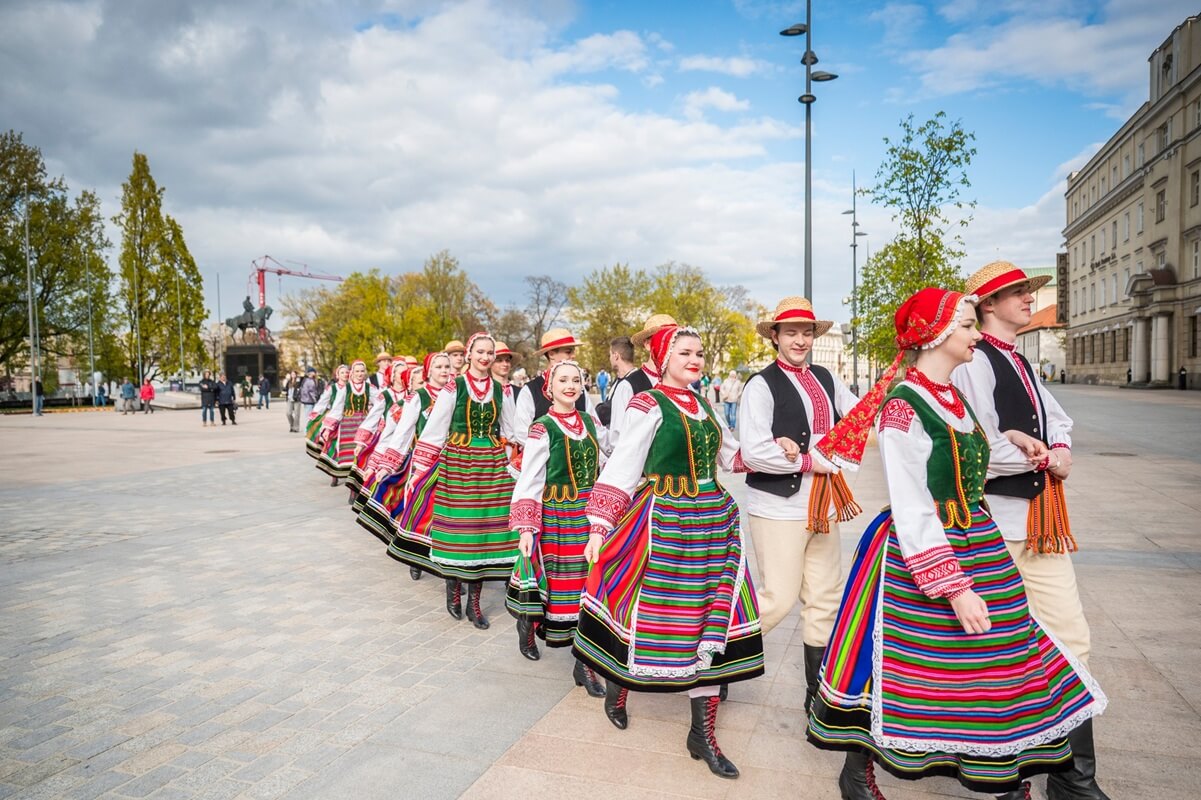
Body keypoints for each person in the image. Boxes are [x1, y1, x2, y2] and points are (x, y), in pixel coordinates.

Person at [807, 287, 1106, 800]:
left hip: (978, 538)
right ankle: (857, 772)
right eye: (967, 326)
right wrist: (955, 587)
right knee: (906, 667)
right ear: (934, 335)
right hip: (924, 550)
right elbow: (913, 505)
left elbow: (967, 463)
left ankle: (1008, 776)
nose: (976, 335)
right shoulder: (903, 408)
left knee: (1000, 660)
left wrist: (1014, 441)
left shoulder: (954, 397)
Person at [573, 322, 766, 780]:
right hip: (665, 522)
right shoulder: (648, 403)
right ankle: (620, 687)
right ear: (663, 360)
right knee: (645, 612)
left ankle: (702, 734)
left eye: (698, 353)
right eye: (685, 353)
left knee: (710, 619)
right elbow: (623, 466)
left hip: (713, 521)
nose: (695, 360)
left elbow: (732, 456)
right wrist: (599, 526)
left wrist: (780, 450)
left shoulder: (705, 405)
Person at [951, 261, 1110, 800]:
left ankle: (1073, 782)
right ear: (988, 305)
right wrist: (1040, 457)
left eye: (1028, 291)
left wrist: (1058, 448)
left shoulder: (1022, 360)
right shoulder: (974, 361)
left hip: (1040, 522)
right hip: (994, 522)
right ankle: (1005, 778)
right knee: (997, 650)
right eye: (1016, 292)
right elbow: (980, 444)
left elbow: (1056, 418)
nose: (1028, 298)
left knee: (1072, 638)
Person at [738, 297, 860, 713]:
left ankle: (817, 696)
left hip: (824, 505)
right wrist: (808, 460)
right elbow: (754, 452)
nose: (800, 340)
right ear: (775, 336)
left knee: (825, 599)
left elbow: (857, 420)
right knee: (778, 597)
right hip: (778, 506)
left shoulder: (826, 377)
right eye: (791, 332)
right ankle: (716, 659)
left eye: (806, 333)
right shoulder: (761, 384)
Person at [506, 360, 606, 698]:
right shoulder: (542, 428)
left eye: (576, 380)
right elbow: (530, 480)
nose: (571, 386)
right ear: (549, 388)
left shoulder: (590, 422)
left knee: (591, 587)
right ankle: (527, 622)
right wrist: (525, 528)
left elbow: (607, 459)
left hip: (589, 515)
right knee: (559, 587)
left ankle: (584, 663)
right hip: (558, 517)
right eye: (563, 380)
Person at [406, 334, 516, 629]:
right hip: (458, 463)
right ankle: (453, 587)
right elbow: (435, 430)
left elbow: (511, 431)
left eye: (490, 353)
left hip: (491, 465)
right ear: (469, 354)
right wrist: (419, 469)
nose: (485, 357)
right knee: (460, 531)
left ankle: (474, 603)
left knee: (485, 534)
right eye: (480, 351)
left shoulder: (501, 390)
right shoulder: (455, 387)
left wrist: (516, 464)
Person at [384, 352, 455, 580]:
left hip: (451, 461)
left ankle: (450, 567)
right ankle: (415, 558)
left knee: (446, 513)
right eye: (439, 367)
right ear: (429, 371)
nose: (444, 371)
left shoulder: (456, 393)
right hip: (424, 462)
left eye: (447, 367)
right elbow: (403, 431)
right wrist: (388, 462)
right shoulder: (419, 397)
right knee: (418, 509)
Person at [512, 328, 601, 448]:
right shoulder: (531, 390)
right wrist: (552, 452)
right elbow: (521, 432)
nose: (573, 355)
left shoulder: (579, 389)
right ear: (551, 354)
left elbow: (595, 426)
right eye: (568, 352)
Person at [605, 315, 674, 449]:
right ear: (648, 344)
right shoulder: (628, 386)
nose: (671, 347)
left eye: (674, 341)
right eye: (663, 340)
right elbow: (618, 441)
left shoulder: (684, 385)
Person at [349, 361, 409, 510]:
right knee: (379, 471)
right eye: (400, 372)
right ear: (392, 376)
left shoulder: (412, 394)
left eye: (406, 372)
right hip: (387, 438)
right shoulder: (385, 395)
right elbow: (373, 417)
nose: (404, 375)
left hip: (407, 441)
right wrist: (361, 442)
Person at [316, 361, 378, 495]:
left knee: (362, 454)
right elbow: (337, 408)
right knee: (349, 455)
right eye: (357, 371)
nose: (360, 374)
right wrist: (328, 427)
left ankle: (357, 487)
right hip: (348, 425)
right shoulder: (346, 388)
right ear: (352, 373)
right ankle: (350, 487)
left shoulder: (370, 388)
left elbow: (380, 404)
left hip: (364, 425)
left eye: (362, 371)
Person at [305, 366, 345, 459]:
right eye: (342, 373)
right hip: (333, 414)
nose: (345, 374)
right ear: (337, 375)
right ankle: (331, 456)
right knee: (330, 437)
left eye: (346, 372)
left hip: (347, 416)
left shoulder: (352, 387)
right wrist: (315, 413)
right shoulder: (332, 388)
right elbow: (323, 401)